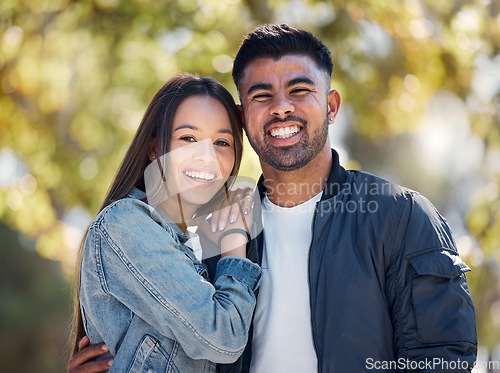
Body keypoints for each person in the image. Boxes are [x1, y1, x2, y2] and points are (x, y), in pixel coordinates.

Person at [70, 24, 478, 373]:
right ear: (243, 115)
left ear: (331, 106)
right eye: (261, 96)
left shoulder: (400, 215)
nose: (281, 108)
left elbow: (441, 357)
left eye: (300, 90)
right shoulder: (209, 233)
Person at [68, 74, 262, 373]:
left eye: (222, 142)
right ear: (154, 148)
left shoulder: (194, 245)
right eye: (188, 138)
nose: (206, 156)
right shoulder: (126, 224)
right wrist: (235, 241)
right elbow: (223, 338)